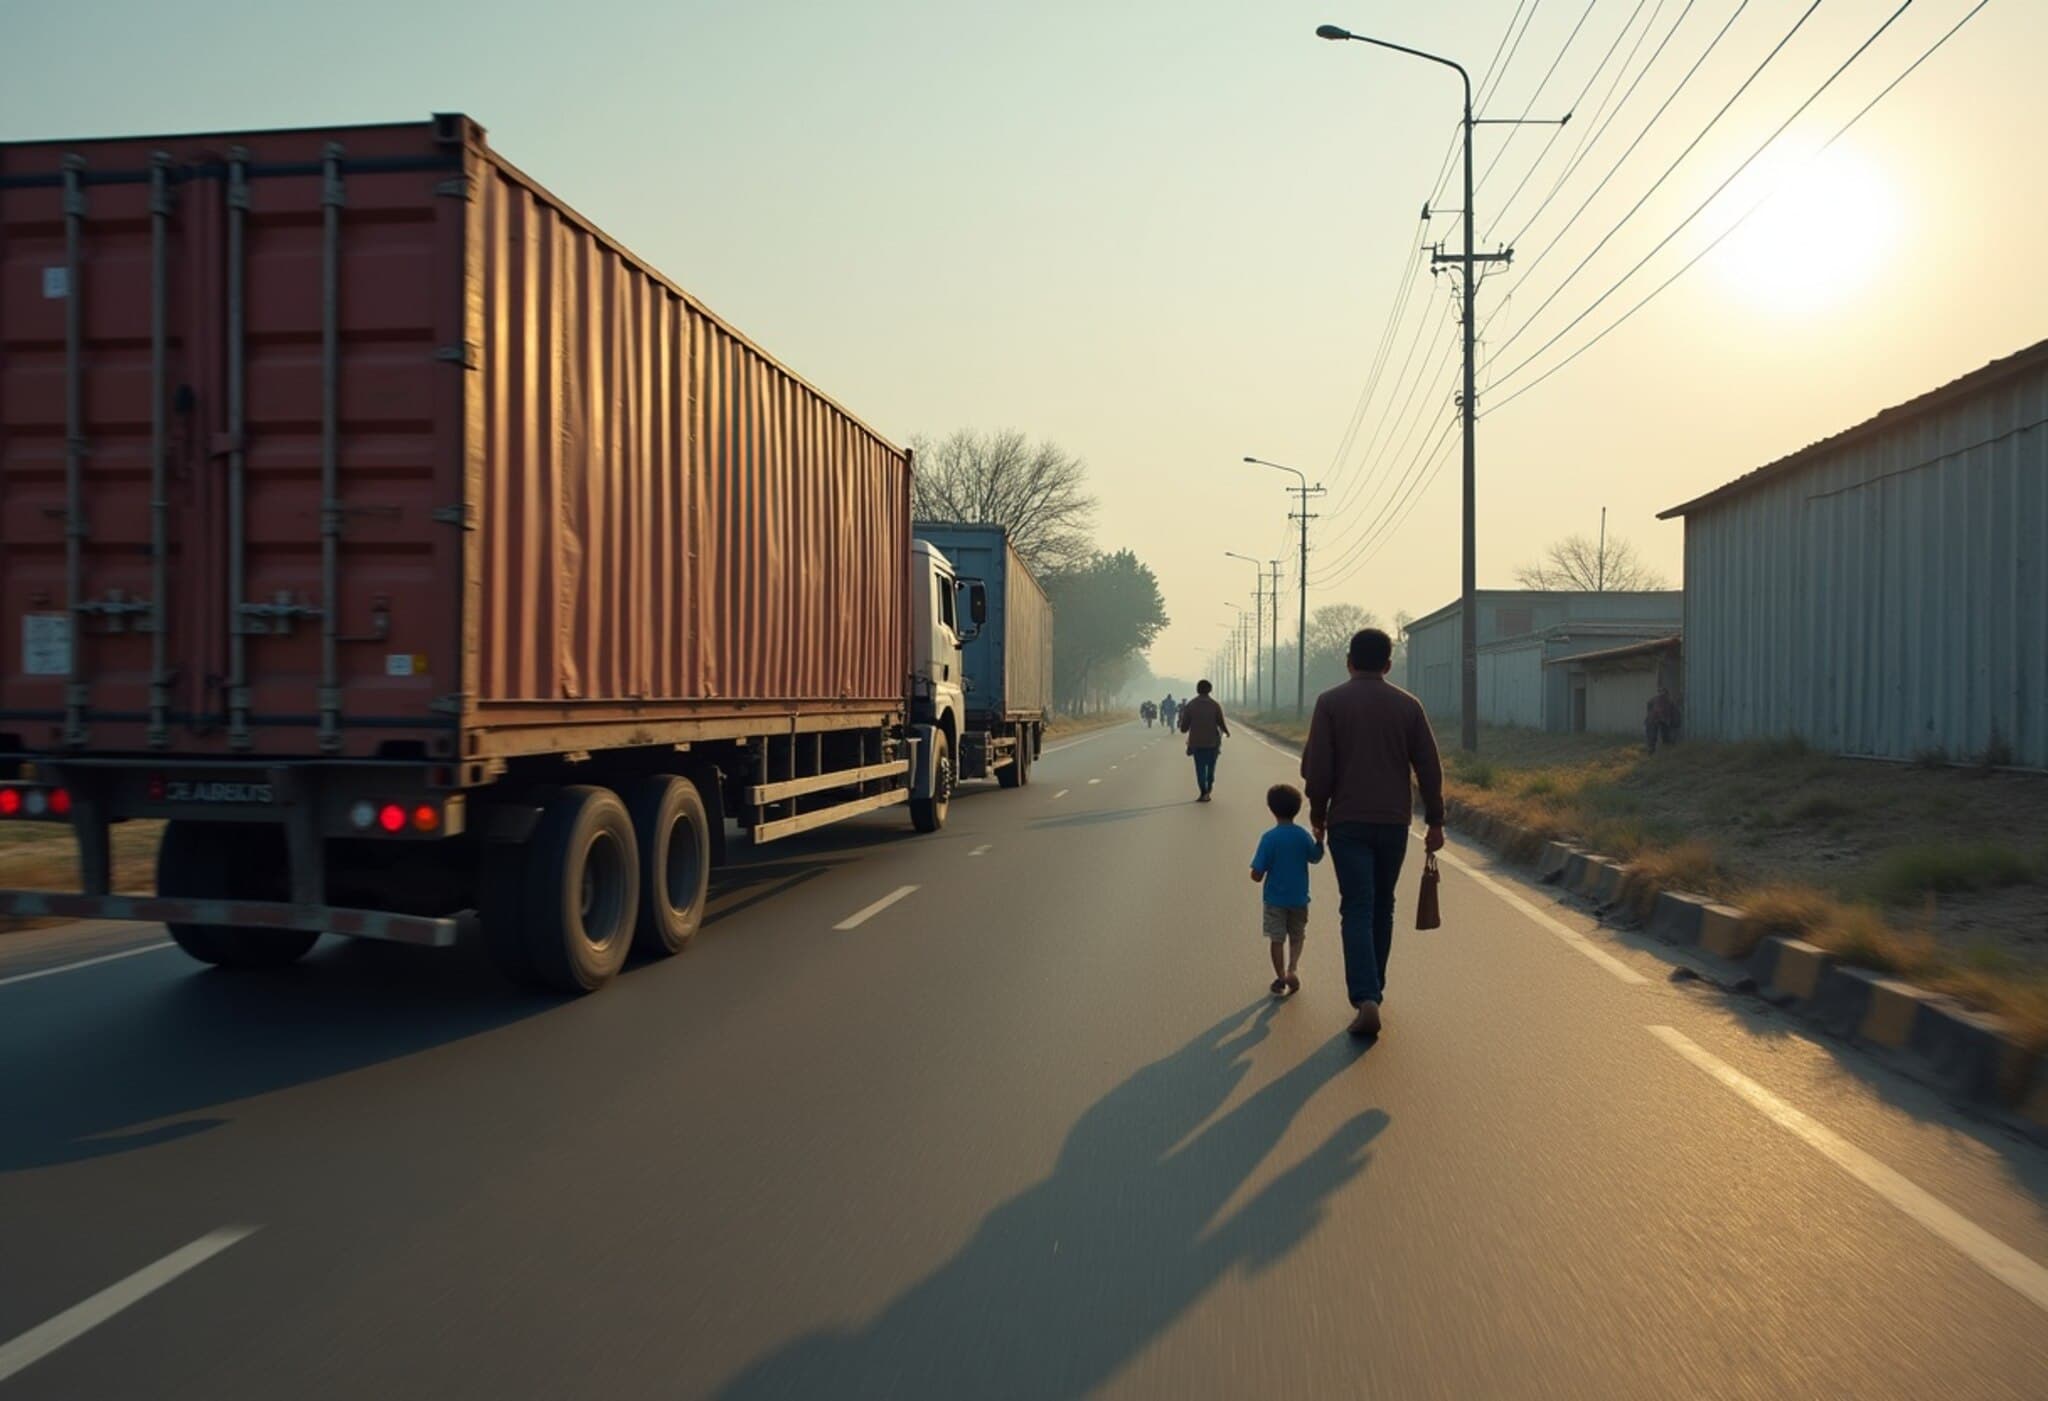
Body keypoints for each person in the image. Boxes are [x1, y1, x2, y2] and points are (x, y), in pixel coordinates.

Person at [1300, 627, 1444, 1040]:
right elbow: (1429, 769)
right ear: (1388, 664)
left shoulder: (1330, 703)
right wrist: (1435, 821)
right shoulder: (1408, 706)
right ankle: (1374, 992)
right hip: (1395, 822)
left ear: (1349, 661)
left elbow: (1318, 770)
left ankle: (1366, 998)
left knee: (1357, 906)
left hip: (1348, 822)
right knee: (1384, 905)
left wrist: (1318, 812)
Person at [1250, 783, 1325, 998]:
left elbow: (1257, 873)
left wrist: (1256, 874)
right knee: (1297, 935)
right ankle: (1293, 968)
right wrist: (1320, 842)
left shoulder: (1269, 838)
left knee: (1276, 938)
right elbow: (1315, 857)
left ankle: (1281, 975)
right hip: (1299, 898)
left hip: (1274, 899)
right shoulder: (1302, 835)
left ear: (1271, 809)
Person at [1177, 680, 1229, 802]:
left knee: (1200, 768)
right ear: (1210, 690)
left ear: (1197, 690)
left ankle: (1203, 792)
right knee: (1211, 768)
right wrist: (1226, 731)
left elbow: (1184, 728)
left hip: (1196, 743)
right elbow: (1221, 722)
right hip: (1213, 743)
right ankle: (1209, 787)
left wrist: (1184, 728)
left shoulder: (1191, 705)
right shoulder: (1215, 705)